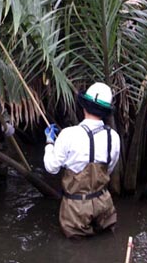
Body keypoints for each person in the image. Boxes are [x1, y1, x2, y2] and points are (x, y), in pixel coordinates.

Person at [43, 82, 121, 238]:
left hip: (76, 208)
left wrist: (50, 142)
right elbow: (109, 169)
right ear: (105, 112)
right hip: (103, 203)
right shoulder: (114, 137)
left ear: (84, 106)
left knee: (76, 250)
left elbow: (51, 167)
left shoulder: (68, 134)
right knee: (106, 240)